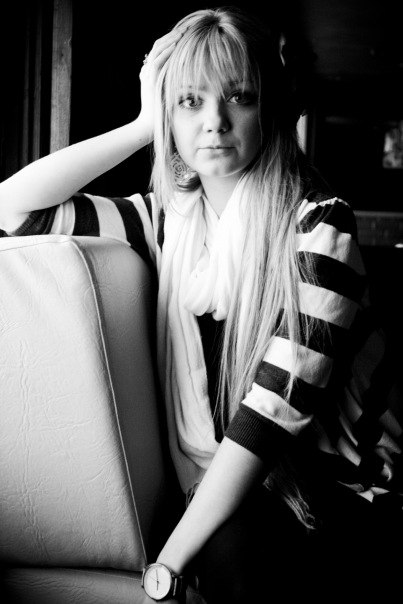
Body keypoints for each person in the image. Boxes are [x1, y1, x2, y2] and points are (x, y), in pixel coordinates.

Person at [0, 6, 402, 602]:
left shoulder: (319, 228)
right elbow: (14, 210)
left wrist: (166, 564)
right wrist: (144, 124)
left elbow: (268, 420)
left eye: (239, 96)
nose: (214, 121)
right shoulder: (165, 220)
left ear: (268, 108)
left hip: (344, 490)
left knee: (231, 550)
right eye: (190, 101)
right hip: (232, 493)